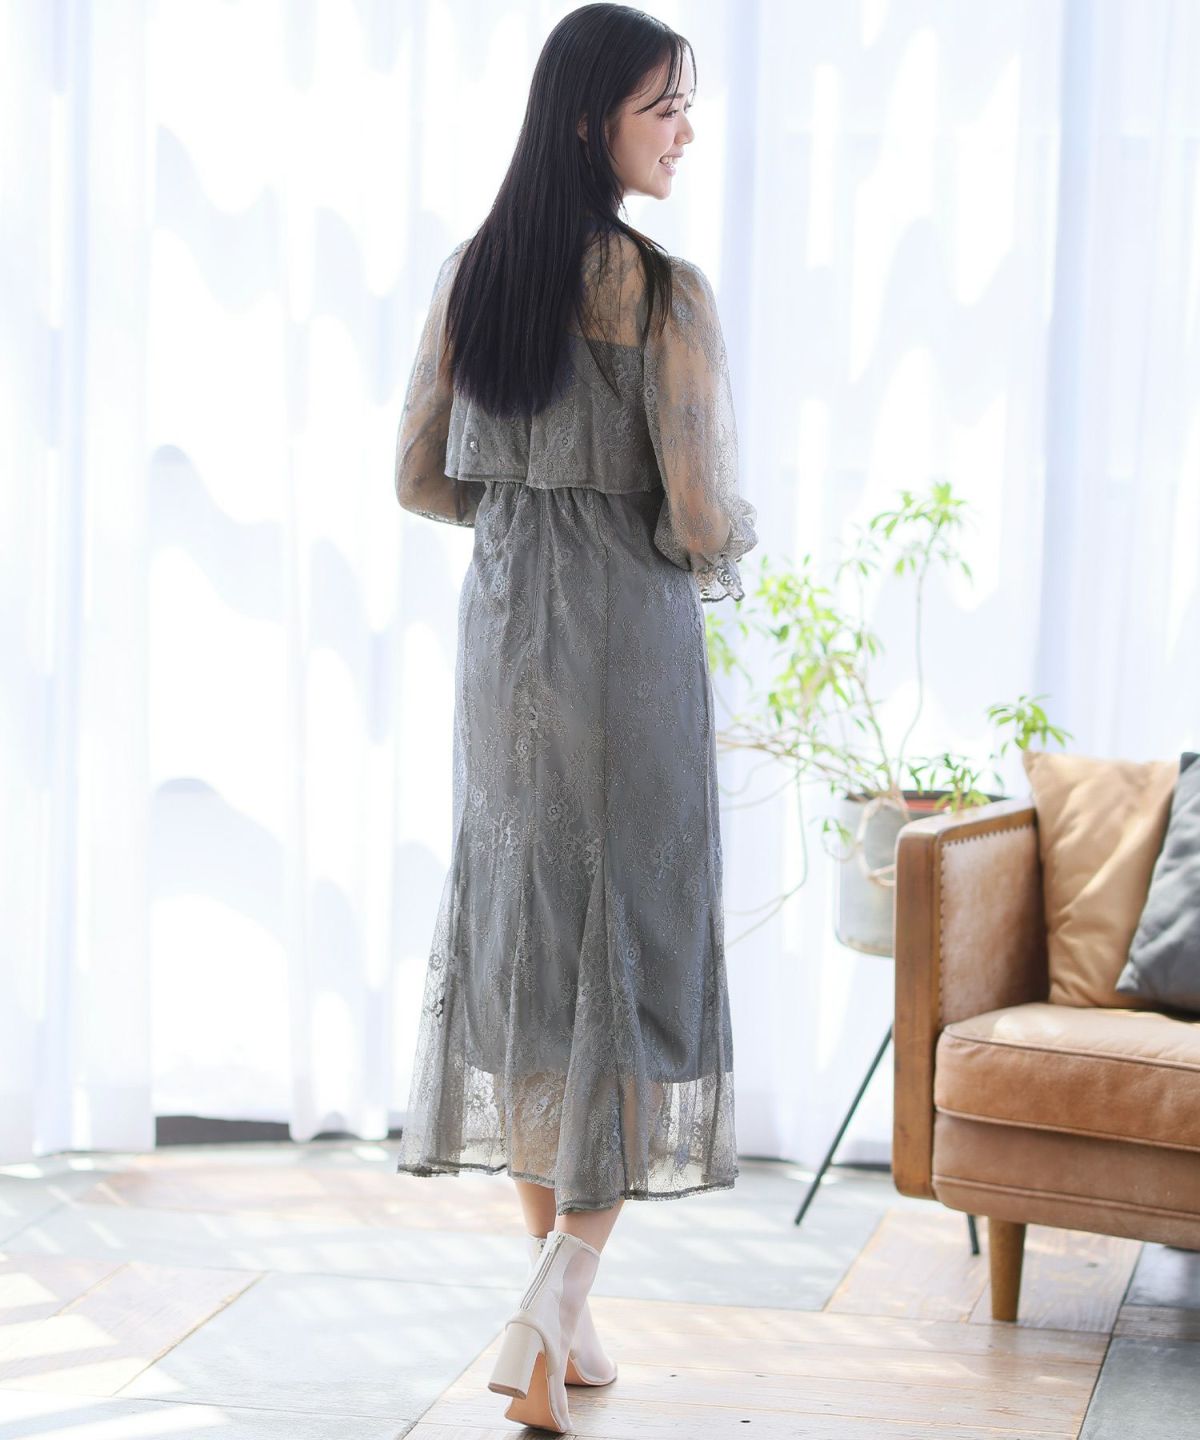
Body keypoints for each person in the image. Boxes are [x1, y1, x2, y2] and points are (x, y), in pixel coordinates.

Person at [392, 4, 757, 1431]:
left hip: (502, 649)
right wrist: (700, 531)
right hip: (625, 653)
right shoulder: (666, 295)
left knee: (537, 956)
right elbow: (699, 515)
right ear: (593, 117)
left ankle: (564, 1325)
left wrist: (524, 509)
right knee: (635, 953)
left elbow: (419, 478)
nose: (686, 132)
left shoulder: (472, 276)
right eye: (665, 106)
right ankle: (550, 1301)